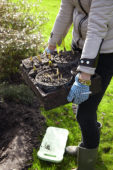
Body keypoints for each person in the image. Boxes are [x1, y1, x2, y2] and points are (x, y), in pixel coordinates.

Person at [45, 0, 113, 169]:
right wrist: (52, 45)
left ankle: (87, 163)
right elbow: (64, 12)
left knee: (85, 113)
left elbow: (96, 29)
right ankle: (87, 144)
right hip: (81, 48)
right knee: (82, 104)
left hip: (105, 53)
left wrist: (84, 76)